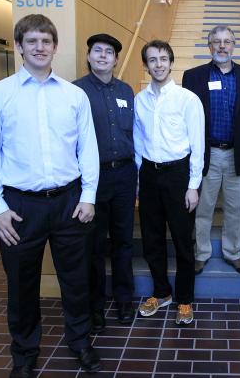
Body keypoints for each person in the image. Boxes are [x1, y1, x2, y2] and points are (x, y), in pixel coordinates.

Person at [0, 14, 102, 377]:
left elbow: (87, 150)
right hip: (19, 208)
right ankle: (25, 355)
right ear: (19, 46)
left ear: (55, 47)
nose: (40, 48)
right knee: (21, 286)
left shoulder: (74, 96)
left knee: (76, 282)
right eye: (32, 41)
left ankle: (80, 344)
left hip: (69, 202)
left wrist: (89, 195)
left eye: (46, 41)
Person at [182, 25, 240, 275]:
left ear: (233, 45)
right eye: (216, 42)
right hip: (205, 154)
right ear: (209, 46)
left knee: (235, 208)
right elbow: (185, 119)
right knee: (203, 208)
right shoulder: (193, 76)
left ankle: (233, 253)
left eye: (227, 41)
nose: (222, 46)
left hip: (236, 154)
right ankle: (201, 253)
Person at [134, 40, 205, 325]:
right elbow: (138, 143)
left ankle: (185, 300)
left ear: (171, 62)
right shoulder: (140, 100)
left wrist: (193, 185)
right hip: (150, 174)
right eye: (152, 60)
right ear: (146, 65)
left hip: (179, 176)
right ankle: (161, 293)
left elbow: (197, 145)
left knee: (182, 242)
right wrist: (140, 179)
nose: (159, 64)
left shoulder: (187, 99)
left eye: (163, 59)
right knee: (152, 239)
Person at [73, 33, 136, 333]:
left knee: (123, 240)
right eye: (96, 50)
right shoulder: (75, 91)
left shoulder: (126, 90)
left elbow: (133, 135)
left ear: (115, 59)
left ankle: (124, 299)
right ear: (88, 56)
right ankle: (95, 306)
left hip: (124, 175)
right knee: (94, 245)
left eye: (108, 52)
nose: (102, 56)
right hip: (93, 178)